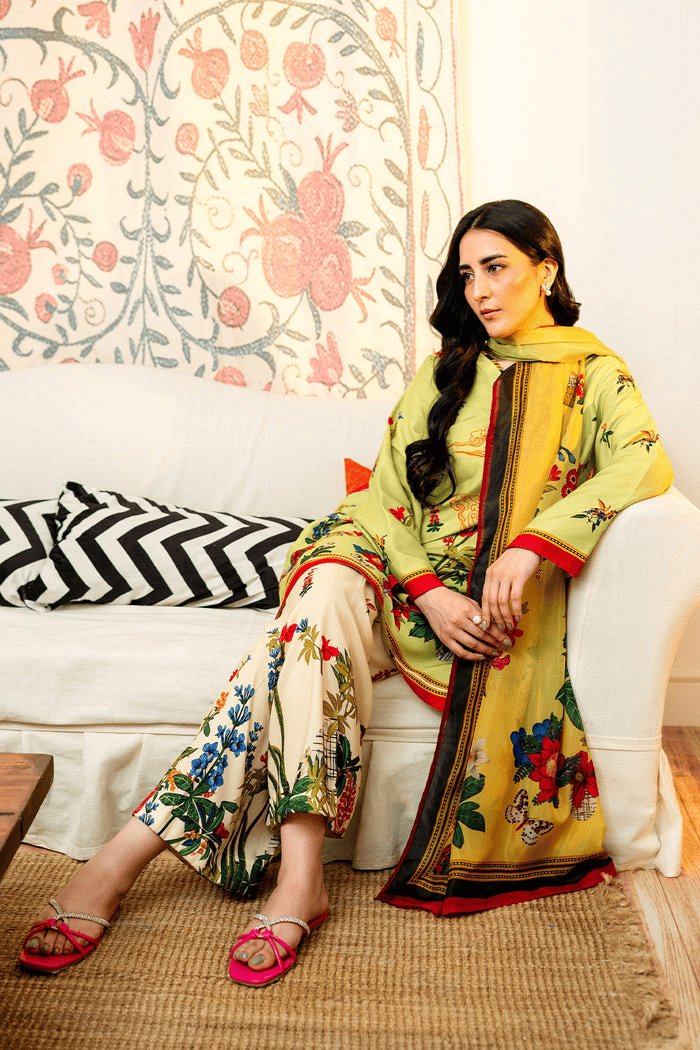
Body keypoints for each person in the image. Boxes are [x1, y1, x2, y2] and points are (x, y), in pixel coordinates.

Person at [20, 199, 673, 983]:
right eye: (466, 275)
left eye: (496, 267)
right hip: (393, 566)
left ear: (547, 268)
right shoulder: (448, 369)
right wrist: (427, 586)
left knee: (299, 639)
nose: (479, 291)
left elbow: (643, 465)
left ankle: (122, 856)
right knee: (325, 589)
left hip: (476, 594)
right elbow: (388, 494)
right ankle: (299, 877)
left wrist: (532, 547)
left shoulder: (593, 372)